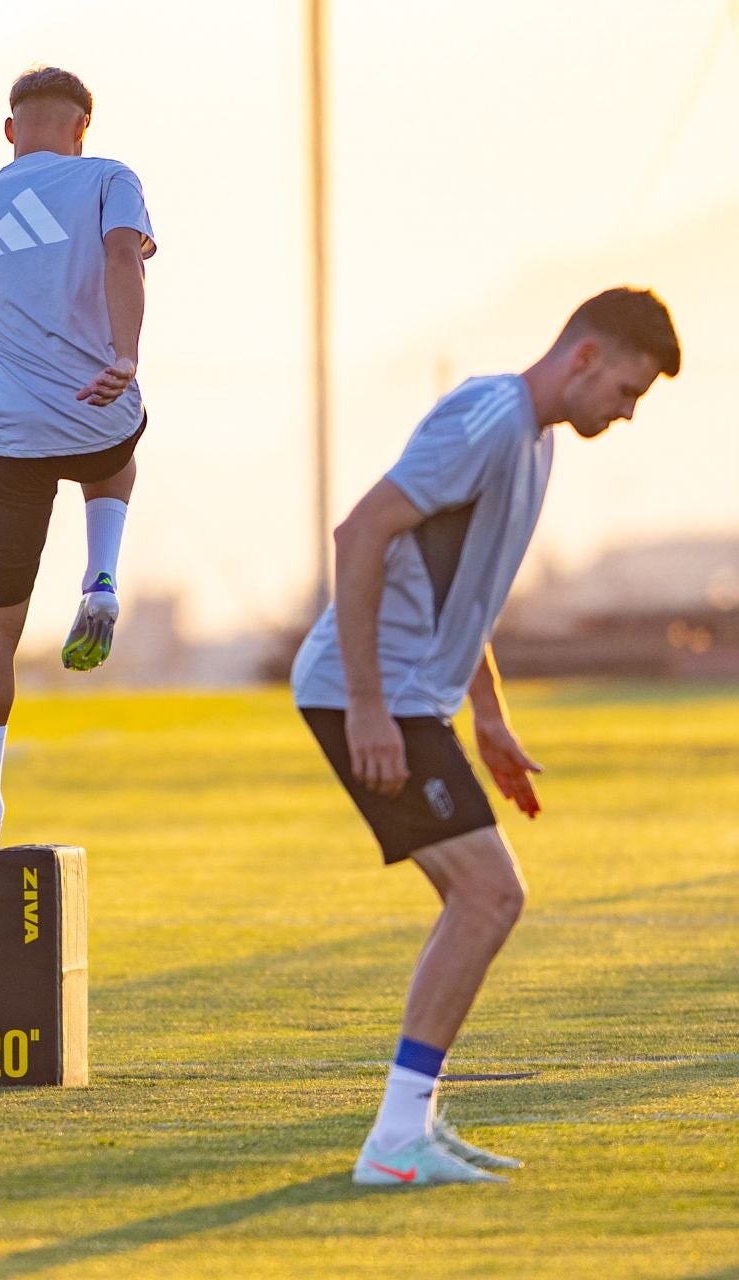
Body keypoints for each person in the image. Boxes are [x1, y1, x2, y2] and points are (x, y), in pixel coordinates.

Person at [292, 288, 681, 1186]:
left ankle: (410, 1127)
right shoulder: (488, 420)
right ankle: (395, 1140)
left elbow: (467, 590)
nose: (627, 413)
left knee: (477, 901)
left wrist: (490, 713)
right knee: (490, 896)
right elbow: (360, 532)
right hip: (370, 695)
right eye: (627, 391)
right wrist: (368, 708)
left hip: (410, 699)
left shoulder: (535, 441)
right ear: (584, 358)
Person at [0, 67, 155, 850]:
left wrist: (23, 387)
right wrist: (124, 356)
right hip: (99, 411)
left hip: (9, 435)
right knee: (120, 442)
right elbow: (124, 258)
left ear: (10, 130)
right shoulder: (107, 177)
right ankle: (101, 574)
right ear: (81, 127)